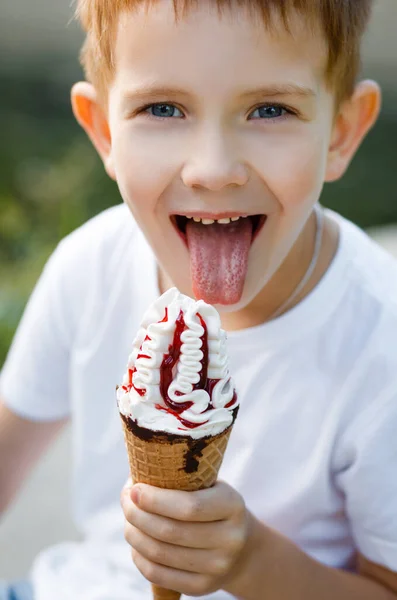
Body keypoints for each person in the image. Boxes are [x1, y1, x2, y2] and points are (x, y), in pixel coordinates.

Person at [1, 0, 397, 598]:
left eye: (271, 109)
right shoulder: (91, 268)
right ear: (104, 130)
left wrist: (252, 563)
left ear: (341, 132)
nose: (214, 170)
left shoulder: (379, 342)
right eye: (163, 108)